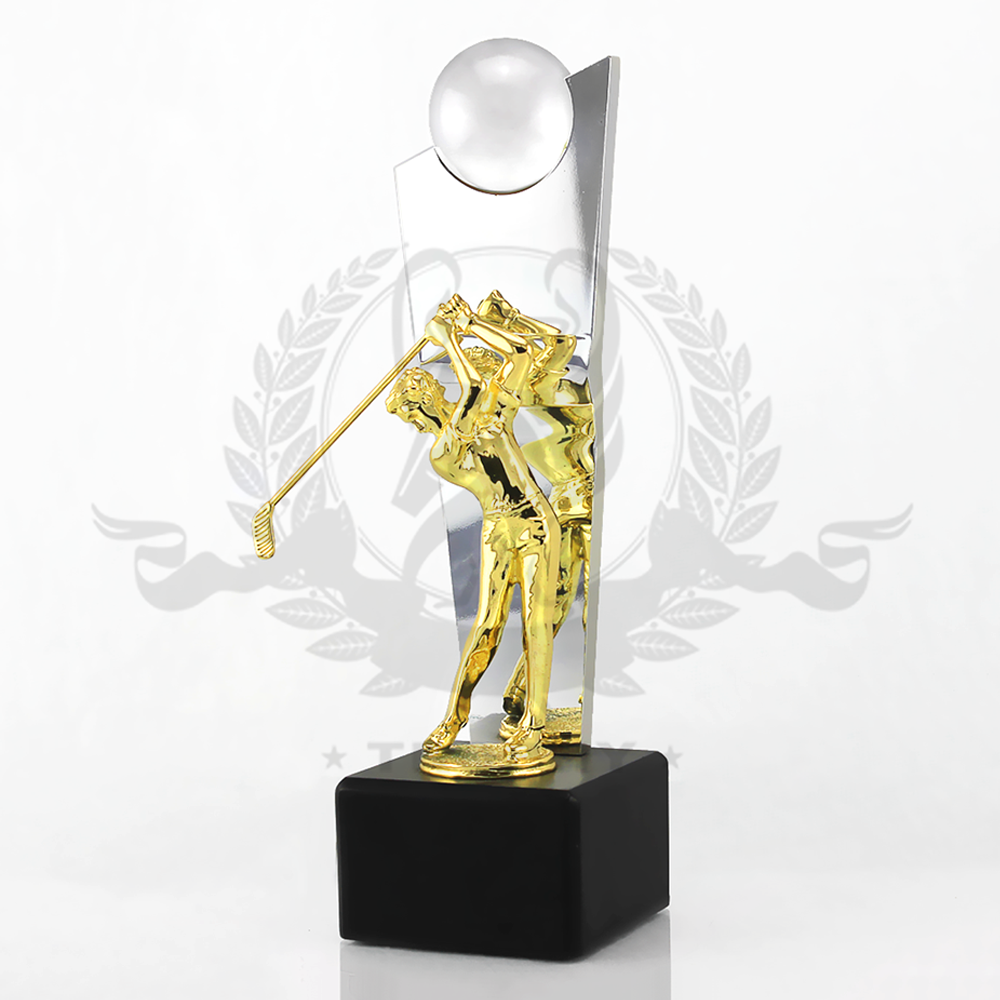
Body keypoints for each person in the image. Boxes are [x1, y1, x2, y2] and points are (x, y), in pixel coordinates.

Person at [386, 293, 560, 766]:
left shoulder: (490, 407)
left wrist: (469, 324)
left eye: (412, 415)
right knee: (486, 624)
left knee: (536, 623)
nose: (415, 426)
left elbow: (520, 353)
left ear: (426, 399)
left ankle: (534, 725)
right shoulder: (443, 451)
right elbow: (473, 391)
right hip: (498, 528)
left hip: (536, 521)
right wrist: (451, 338)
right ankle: (454, 717)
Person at [471, 292, 594, 738]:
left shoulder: (532, 386)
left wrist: (504, 319)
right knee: (568, 599)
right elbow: (558, 342)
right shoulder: (527, 386)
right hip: (574, 502)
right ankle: (531, 691)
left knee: (565, 602)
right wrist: (504, 319)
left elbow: (557, 343)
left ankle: (531, 691)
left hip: (572, 500)